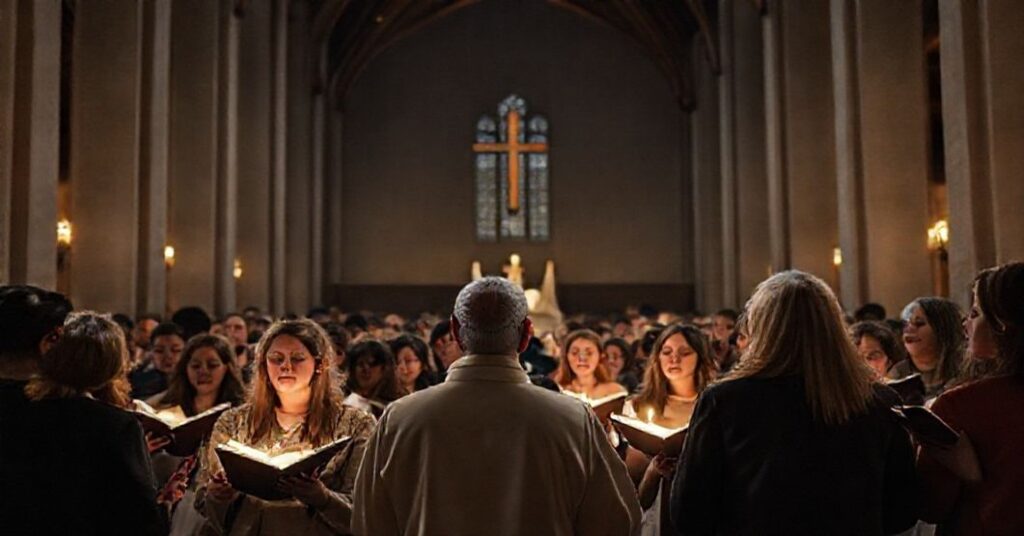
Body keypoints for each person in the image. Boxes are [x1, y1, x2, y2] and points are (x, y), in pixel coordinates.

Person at [352, 277, 641, 535]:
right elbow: (616, 523)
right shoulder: (573, 420)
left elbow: (369, 524)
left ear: (455, 330)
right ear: (527, 334)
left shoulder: (400, 420)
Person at [669, 271, 918, 535]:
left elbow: (689, 512)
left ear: (761, 329)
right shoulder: (878, 401)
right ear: (833, 327)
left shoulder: (726, 401)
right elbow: (901, 512)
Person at [193, 319, 375, 535]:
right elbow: (203, 500)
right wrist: (217, 494)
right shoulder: (234, 422)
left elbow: (366, 512)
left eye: (297, 359)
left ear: (319, 365)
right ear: (263, 365)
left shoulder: (355, 425)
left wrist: (322, 497)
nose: (286, 367)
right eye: (276, 359)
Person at [18, 312, 165, 535]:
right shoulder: (117, 425)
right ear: (113, 364)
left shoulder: (22, 413)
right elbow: (140, 516)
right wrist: (165, 504)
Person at [917, 262, 1024, 535]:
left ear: (1002, 325)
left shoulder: (959, 407)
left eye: (975, 313)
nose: (966, 324)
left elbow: (930, 504)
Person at [624, 324, 716, 536]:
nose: (674, 359)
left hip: (702, 509)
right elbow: (634, 486)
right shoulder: (638, 407)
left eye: (684, 353)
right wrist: (654, 470)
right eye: (667, 352)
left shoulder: (714, 405)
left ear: (700, 357)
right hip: (655, 513)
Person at [890, 297, 965, 399]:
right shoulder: (897, 374)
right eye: (905, 324)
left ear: (942, 330)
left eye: (919, 323)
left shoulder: (965, 372)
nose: (909, 329)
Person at [556, 329, 626, 400]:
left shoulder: (615, 392)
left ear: (600, 356)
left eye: (589, 353)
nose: (582, 359)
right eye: (575, 353)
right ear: (566, 357)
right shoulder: (557, 392)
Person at [343, 339, 407, 415]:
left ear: (385, 369)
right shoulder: (346, 405)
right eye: (360, 364)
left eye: (372, 364)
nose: (366, 369)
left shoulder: (399, 406)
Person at [130, 322, 186, 399]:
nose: (168, 356)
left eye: (175, 350)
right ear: (151, 352)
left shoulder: (193, 382)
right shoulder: (137, 381)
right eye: (159, 351)